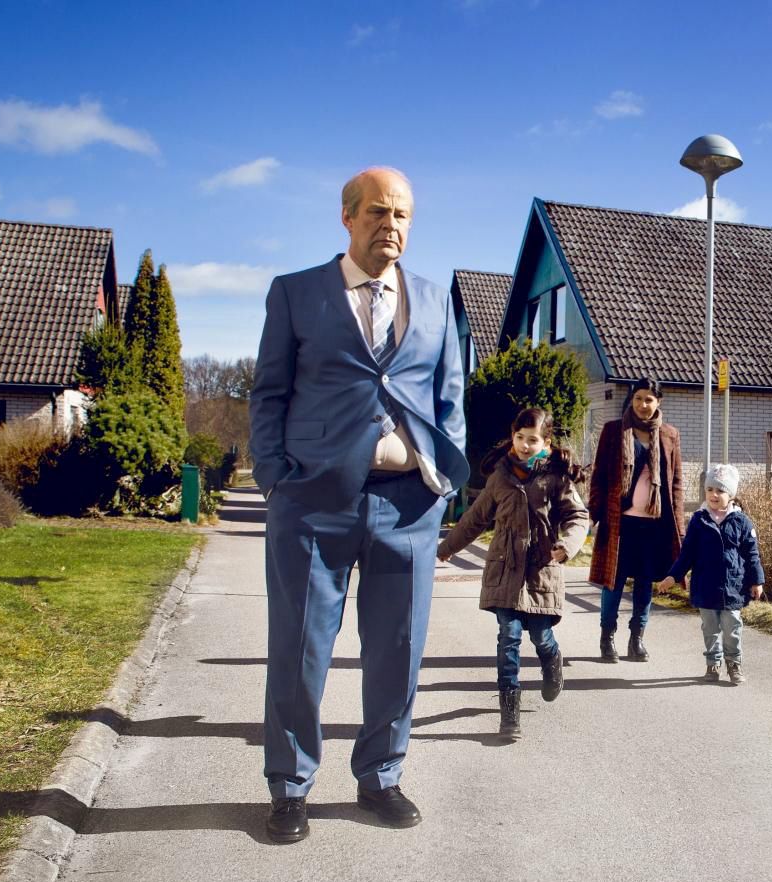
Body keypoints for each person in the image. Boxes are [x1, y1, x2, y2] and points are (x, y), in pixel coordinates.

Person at [248, 167, 469, 843]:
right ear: (347, 217)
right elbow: (268, 394)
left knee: (398, 652)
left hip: (408, 507)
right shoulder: (295, 293)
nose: (390, 225)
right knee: (300, 650)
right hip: (312, 502)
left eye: (401, 214)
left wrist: (442, 482)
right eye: (377, 211)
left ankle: (380, 777)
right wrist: (274, 478)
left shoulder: (435, 299)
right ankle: (290, 786)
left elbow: (451, 399)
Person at [436, 408, 589, 741]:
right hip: (505, 571)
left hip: (541, 573)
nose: (524, 445)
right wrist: (447, 547)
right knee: (509, 638)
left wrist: (568, 545)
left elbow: (578, 516)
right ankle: (509, 715)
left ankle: (552, 660)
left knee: (541, 637)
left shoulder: (556, 478)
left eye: (532, 439)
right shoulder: (500, 477)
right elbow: (475, 518)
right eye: (520, 437)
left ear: (546, 442)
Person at [587, 376, 684, 663]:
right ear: (632, 400)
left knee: (644, 584)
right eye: (638, 398)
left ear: (658, 402)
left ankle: (636, 638)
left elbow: (676, 484)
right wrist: (594, 515)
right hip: (620, 524)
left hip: (654, 525)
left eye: (649, 399)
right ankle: (607, 637)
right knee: (613, 583)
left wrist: (679, 526)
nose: (643, 404)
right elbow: (599, 476)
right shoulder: (614, 430)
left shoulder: (669, 435)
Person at [657, 464, 764, 685]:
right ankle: (713, 664)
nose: (714, 494)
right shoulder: (699, 520)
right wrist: (673, 576)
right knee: (710, 628)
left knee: (732, 626)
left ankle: (734, 664)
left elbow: (752, 554)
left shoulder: (742, 521)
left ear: (731, 494)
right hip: (705, 586)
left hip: (733, 587)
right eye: (710, 489)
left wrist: (757, 581)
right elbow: (687, 554)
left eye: (720, 490)